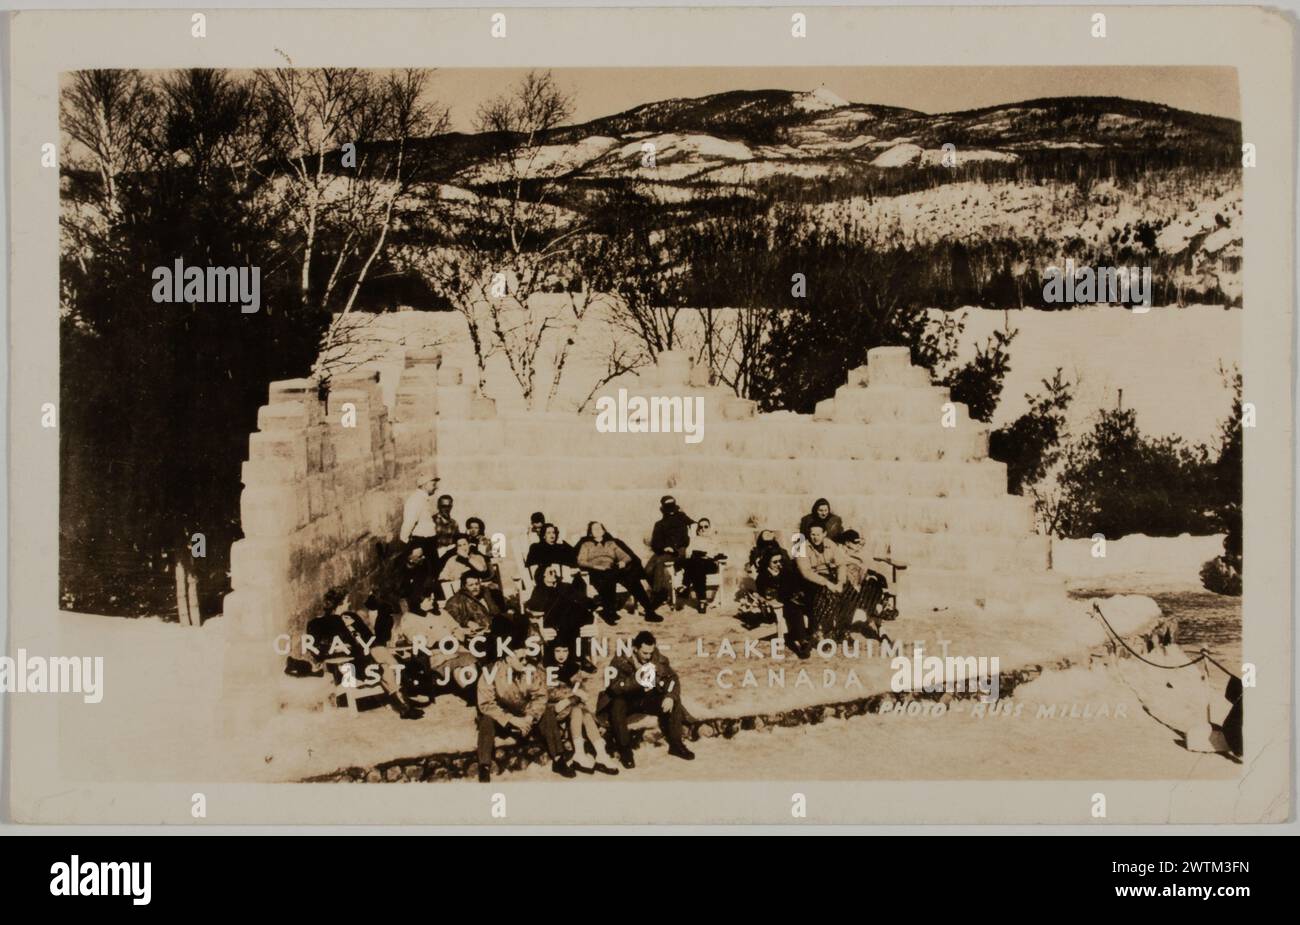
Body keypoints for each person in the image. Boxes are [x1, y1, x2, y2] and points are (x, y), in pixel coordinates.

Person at [305, 587, 423, 719]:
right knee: (385, 665)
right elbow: (319, 648)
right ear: (339, 604)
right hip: (349, 662)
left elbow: (369, 638)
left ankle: (404, 702)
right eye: (346, 601)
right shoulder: (319, 623)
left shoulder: (352, 616)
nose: (349, 604)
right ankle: (404, 704)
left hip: (367, 656)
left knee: (382, 654)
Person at [476, 644, 574, 782]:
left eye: (525, 658)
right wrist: (511, 719)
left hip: (525, 714)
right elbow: (486, 705)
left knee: (547, 712)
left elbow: (540, 697)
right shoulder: (490, 672)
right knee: (486, 720)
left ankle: (558, 759)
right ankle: (484, 766)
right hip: (503, 718)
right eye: (521, 659)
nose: (525, 662)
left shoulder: (529, 671)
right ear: (509, 658)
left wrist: (530, 717)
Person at [601, 631, 694, 768]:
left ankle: (676, 745)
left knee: (673, 699)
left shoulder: (657, 657)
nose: (648, 656)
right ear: (635, 649)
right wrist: (639, 679)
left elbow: (673, 679)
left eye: (650, 652)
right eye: (644, 653)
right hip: (628, 700)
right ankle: (625, 750)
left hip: (647, 699)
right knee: (617, 704)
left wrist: (669, 696)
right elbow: (614, 687)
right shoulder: (620, 660)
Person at [544, 642, 618, 775]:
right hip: (553, 708)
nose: (561, 655)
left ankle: (600, 754)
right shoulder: (546, 668)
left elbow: (581, 692)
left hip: (571, 707)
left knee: (582, 711)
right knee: (579, 709)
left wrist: (572, 697)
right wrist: (571, 696)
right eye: (558, 651)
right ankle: (580, 753)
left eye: (565, 651)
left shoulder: (573, 667)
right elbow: (549, 693)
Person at [394, 593, 478, 704]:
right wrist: (441, 641)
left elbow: (455, 627)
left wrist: (460, 634)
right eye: (428, 599)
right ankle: (472, 694)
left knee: (468, 661)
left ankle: (473, 692)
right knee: (459, 665)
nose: (432, 602)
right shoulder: (409, 618)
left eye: (433, 599)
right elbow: (417, 638)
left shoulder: (441, 613)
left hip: (456, 648)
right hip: (434, 654)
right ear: (418, 601)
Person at [576, 521, 661, 623]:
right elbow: (581, 561)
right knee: (608, 580)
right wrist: (595, 566)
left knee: (632, 579)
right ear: (590, 533)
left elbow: (626, 556)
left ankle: (649, 611)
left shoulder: (611, 543)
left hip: (612, 569)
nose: (598, 530)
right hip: (596, 571)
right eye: (595, 529)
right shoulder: (586, 545)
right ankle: (609, 612)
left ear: (603, 531)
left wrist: (623, 562)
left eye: (600, 528)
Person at [527, 563, 596, 658]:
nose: (554, 574)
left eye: (555, 571)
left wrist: (594, 605)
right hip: (553, 620)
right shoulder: (539, 590)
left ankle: (575, 656)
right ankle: (577, 656)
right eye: (550, 572)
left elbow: (581, 598)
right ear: (542, 575)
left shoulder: (564, 586)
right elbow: (534, 606)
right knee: (568, 616)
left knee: (572, 612)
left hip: (572, 618)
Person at [756, 551, 812, 658]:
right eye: (774, 562)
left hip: (788, 601)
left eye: (780, 561)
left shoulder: (786, 572)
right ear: (768, 563)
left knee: (795, 607)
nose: (778, 564)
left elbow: (794, 586)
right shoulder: (762, 576)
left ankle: (804, 640)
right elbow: (764, 593)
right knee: (792, 609)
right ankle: (802, 640)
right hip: (773, 606)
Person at [795, 523, 845, 640]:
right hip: (808, 581)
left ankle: (841, 629)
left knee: (848, 592)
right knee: (823, 594)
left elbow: (841, 564)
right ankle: (818, 631)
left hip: (829, 578)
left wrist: (840, 582)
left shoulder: (830, 544)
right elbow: (806, 572)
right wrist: (828, 584)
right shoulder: (800, 548)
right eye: (812, 534)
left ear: (824, 534)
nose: (815, 537)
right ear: (808, 535)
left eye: (818, 534)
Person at [646, 496, 694, 607]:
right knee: (647, 570)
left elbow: (694, 526)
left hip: (679, 551)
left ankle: (657, 596)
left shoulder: (682, 518)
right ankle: (662, 591)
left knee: (659, 562)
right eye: (668, 508)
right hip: (663, 551)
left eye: (673, 507)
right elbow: (655, 543)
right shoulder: (659, 524)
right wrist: (664, 548)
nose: (671, 512)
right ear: (663, 509)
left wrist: (675, 548)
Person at [680, 517, 726, 613]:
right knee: (697, 566)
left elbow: (719, 553)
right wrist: (697, 554)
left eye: (706, 526)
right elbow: (688, 553)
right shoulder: (694, 540)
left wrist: (706, 555)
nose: (703, 529)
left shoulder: (714, 539)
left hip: (710, 565)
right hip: (697, 565)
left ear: (709, 528)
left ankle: (685, 585)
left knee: (696, 563)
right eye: (700, 527)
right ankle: (702, 601)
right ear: (697, 529)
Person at [399, 472, 441, 562]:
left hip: (428, 541)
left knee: (434, 570)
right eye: (433, 484)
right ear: (424, 485)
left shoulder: (423, 499)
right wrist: (409, 543)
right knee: (422, 571)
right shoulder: (415, 500)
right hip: (421, 542)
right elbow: (409, 522)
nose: (436, 487)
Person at [444, 573, 498, 638]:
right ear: (464, 586)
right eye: (471, 585)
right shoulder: (455, 600)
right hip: (476, 635)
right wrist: (467, 622)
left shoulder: (485, 595)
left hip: (493, 630)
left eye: (477, 584)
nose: (475, 587)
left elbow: (495, 612)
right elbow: (449, 617)